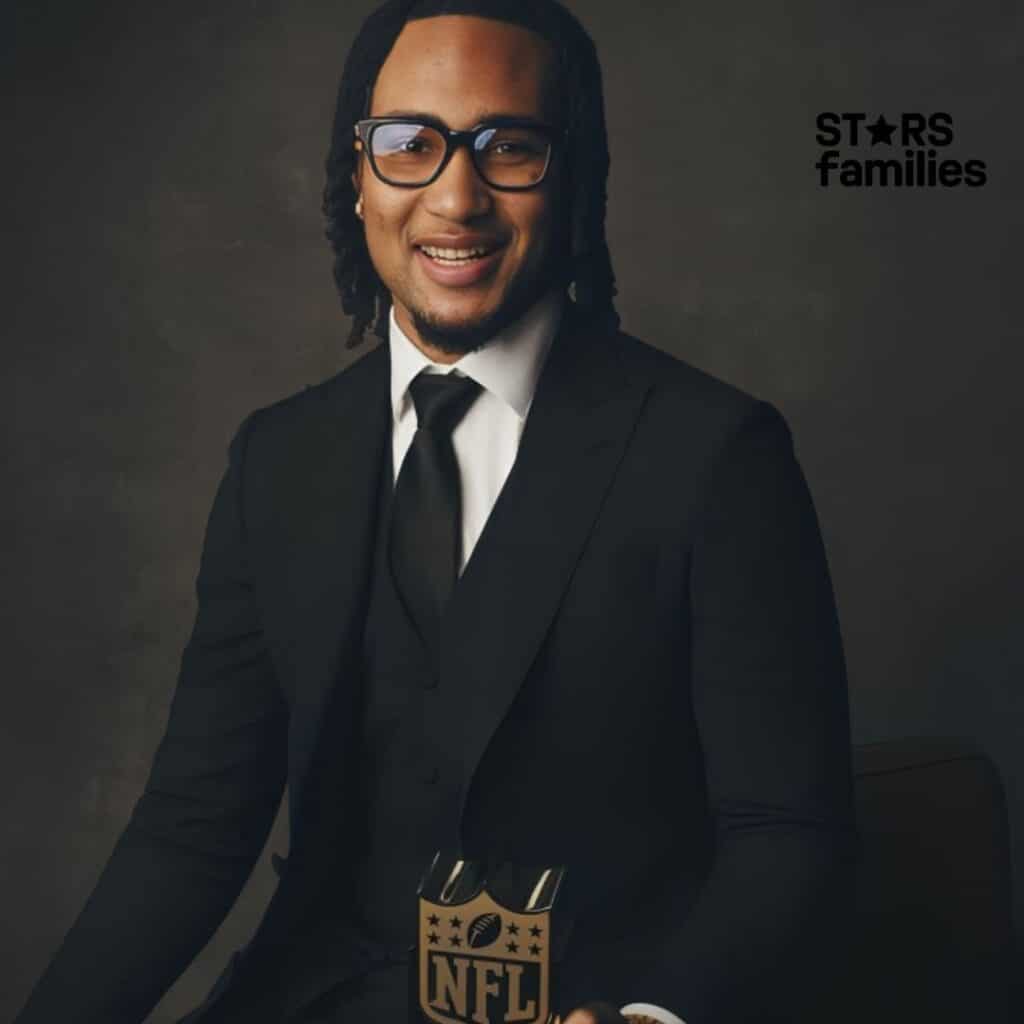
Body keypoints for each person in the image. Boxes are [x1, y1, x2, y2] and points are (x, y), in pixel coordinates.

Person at [15, 1, 856, 1022]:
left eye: (509, 147)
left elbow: (785, 830)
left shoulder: (715, 453)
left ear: (572, 175)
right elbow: (193, 825)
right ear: (357, 177)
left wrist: (651, 1018)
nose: (455, 198)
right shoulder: (279, 459)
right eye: (410, 144)